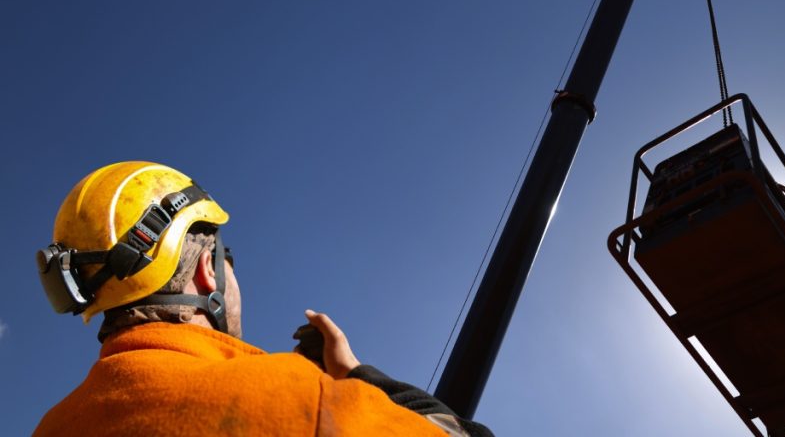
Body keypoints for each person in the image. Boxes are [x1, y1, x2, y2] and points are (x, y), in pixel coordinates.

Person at [33, 161, 492, 437]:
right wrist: (358, 376)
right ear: (206, 269)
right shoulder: (299, 401)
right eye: (225, 255)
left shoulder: (50, 429)